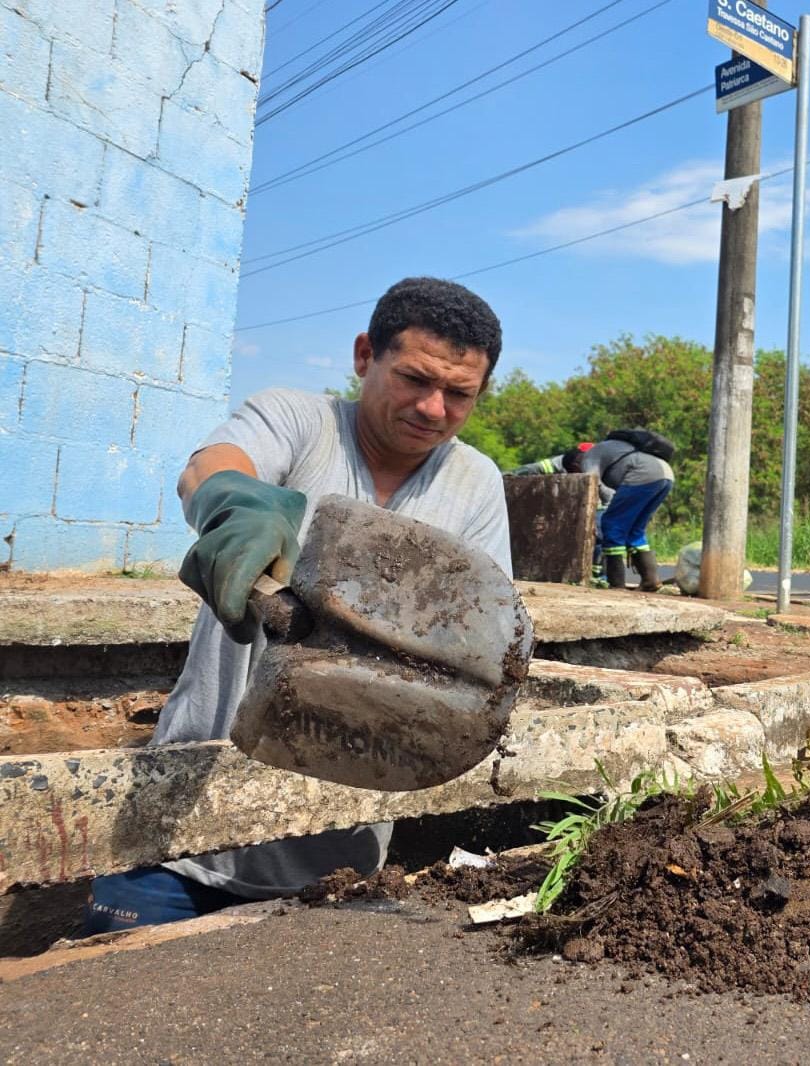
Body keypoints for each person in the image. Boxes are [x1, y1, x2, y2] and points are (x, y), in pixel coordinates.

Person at [82, 277, 511, 934]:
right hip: (178, 840)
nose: (433, 408)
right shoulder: (298, 421)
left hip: (337, 856)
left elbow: (482, 637)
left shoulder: (474, 483)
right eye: (415, 379)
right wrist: (235, 504)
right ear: (366, 355)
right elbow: (214, 461)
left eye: (459, 394)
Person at [570, 436, 673, 592]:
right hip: (665, 474)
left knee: (611, 524)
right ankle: (650, 580)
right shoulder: (612, 448)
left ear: (575, 463)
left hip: (643, 474)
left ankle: (616, 584)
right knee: (635, 530)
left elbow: (591, 482)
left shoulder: (589, 457)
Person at [511, 443, 614, 586]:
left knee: (600, 535)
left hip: (600, 507)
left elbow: (610, 498)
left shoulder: (599, 470)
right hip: (568, 509)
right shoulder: (559, 463)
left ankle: (598, 575)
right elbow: (528, 470)